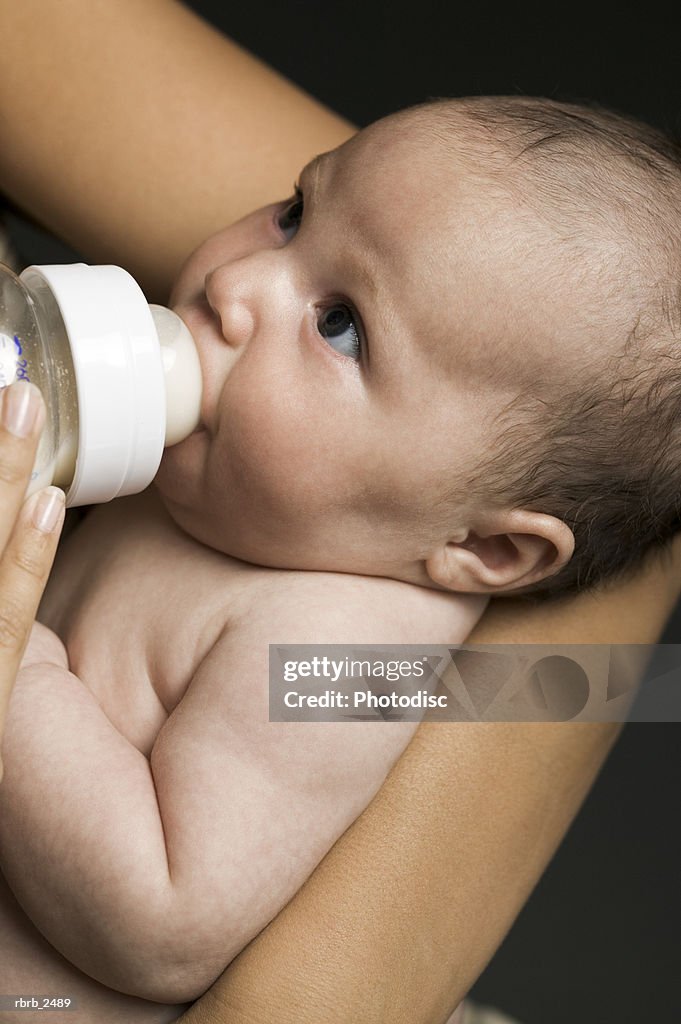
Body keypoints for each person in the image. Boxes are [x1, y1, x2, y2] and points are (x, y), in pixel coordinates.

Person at [1, 3, 680, 1023]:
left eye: (341, 325)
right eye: (290, 212)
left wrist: (17, 672)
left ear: (485, 545)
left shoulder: (344, 647)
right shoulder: (220, 481)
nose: (235, 285)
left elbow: (162, 918)